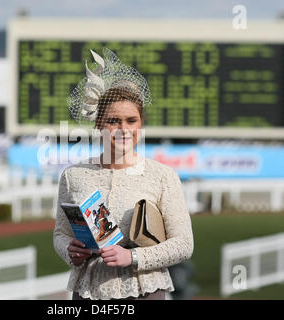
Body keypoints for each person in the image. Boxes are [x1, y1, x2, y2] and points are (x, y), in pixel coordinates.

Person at [53, 48, 194, 300]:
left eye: (131, 120)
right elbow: (60, 234)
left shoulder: (162, 176)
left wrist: (132, 256)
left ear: (141, 124)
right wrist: (69, 249)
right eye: (113, 120)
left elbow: (184, 244)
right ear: (98, 124)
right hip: (88, 291)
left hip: (145, 290)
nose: (123, 129)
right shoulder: (73, 175)